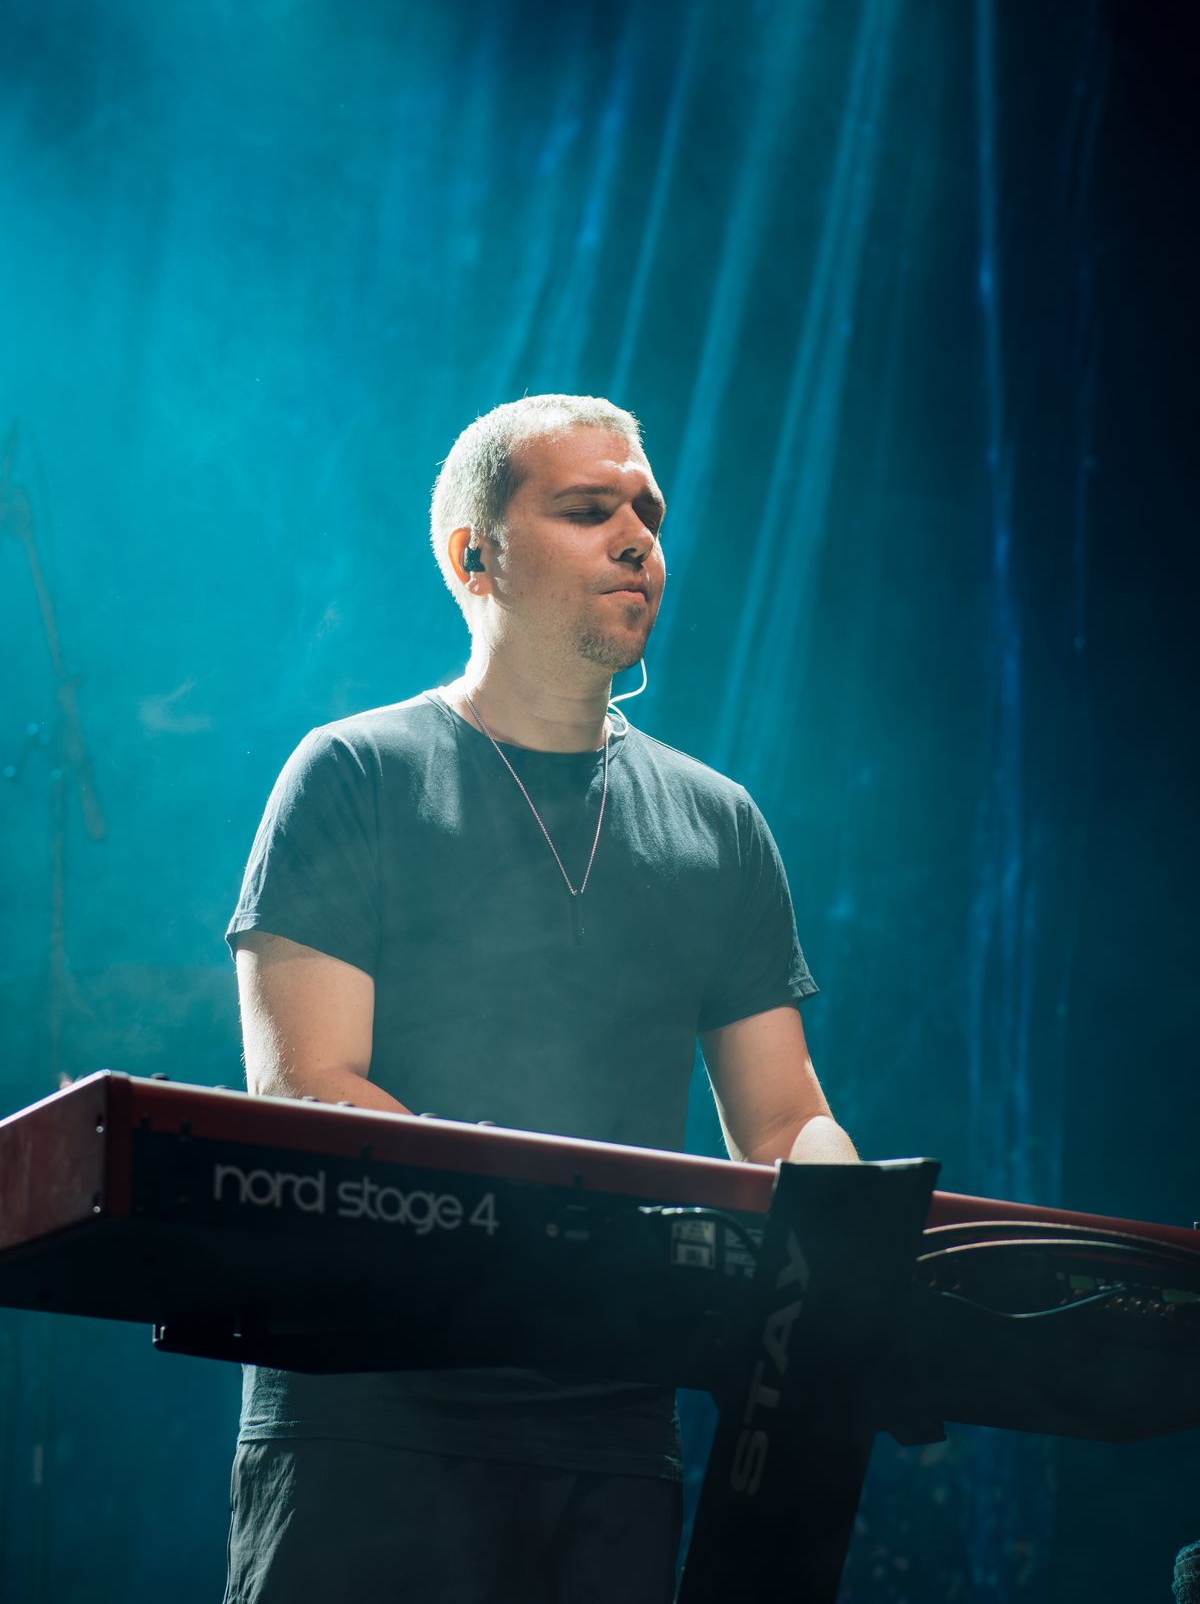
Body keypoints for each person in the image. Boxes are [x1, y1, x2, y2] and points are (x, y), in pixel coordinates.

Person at [223, 393, 857, 1604]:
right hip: (371, 1414)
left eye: (648, 512)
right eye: (587, 509)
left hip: (615, 1430)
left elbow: (784, 1123)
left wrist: (864, 1243)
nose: (638, 538)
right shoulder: (352, 774)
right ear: (476, 556)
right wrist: (554, 1246)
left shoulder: (721, 824)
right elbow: (311, 1092)